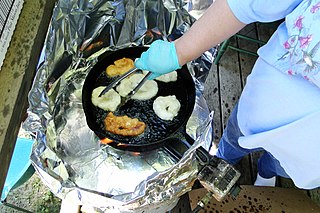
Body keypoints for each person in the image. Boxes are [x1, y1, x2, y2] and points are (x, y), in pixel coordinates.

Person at [134, 0, 320, 189]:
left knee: (283, 166)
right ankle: (224, 158)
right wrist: (178, 52)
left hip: (311, 152)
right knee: (235, 138)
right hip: (266, 103)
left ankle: (266, 170)